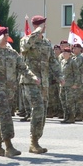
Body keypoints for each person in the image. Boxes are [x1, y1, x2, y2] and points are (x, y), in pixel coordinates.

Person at [0, 27, 37, 157]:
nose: (6, 37)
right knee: (5, 114)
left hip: (10, 90)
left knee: (4, 117)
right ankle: (8, 146)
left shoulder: (12, 53)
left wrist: (33, 76)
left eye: (7, 35)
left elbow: (23, 68)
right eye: (4, 35)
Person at [19, 15, 60, 153]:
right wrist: (36, 32)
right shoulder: (26, 40)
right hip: (30, 81)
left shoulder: (47, 43)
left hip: (44, 83)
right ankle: (33, 141)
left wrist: (60, 76)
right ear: (38, 25)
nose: (45, 27)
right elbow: (24, 46)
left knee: (43, 112)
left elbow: (53, 61)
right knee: (37, 109)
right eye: (43, 24)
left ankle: (36, 140)